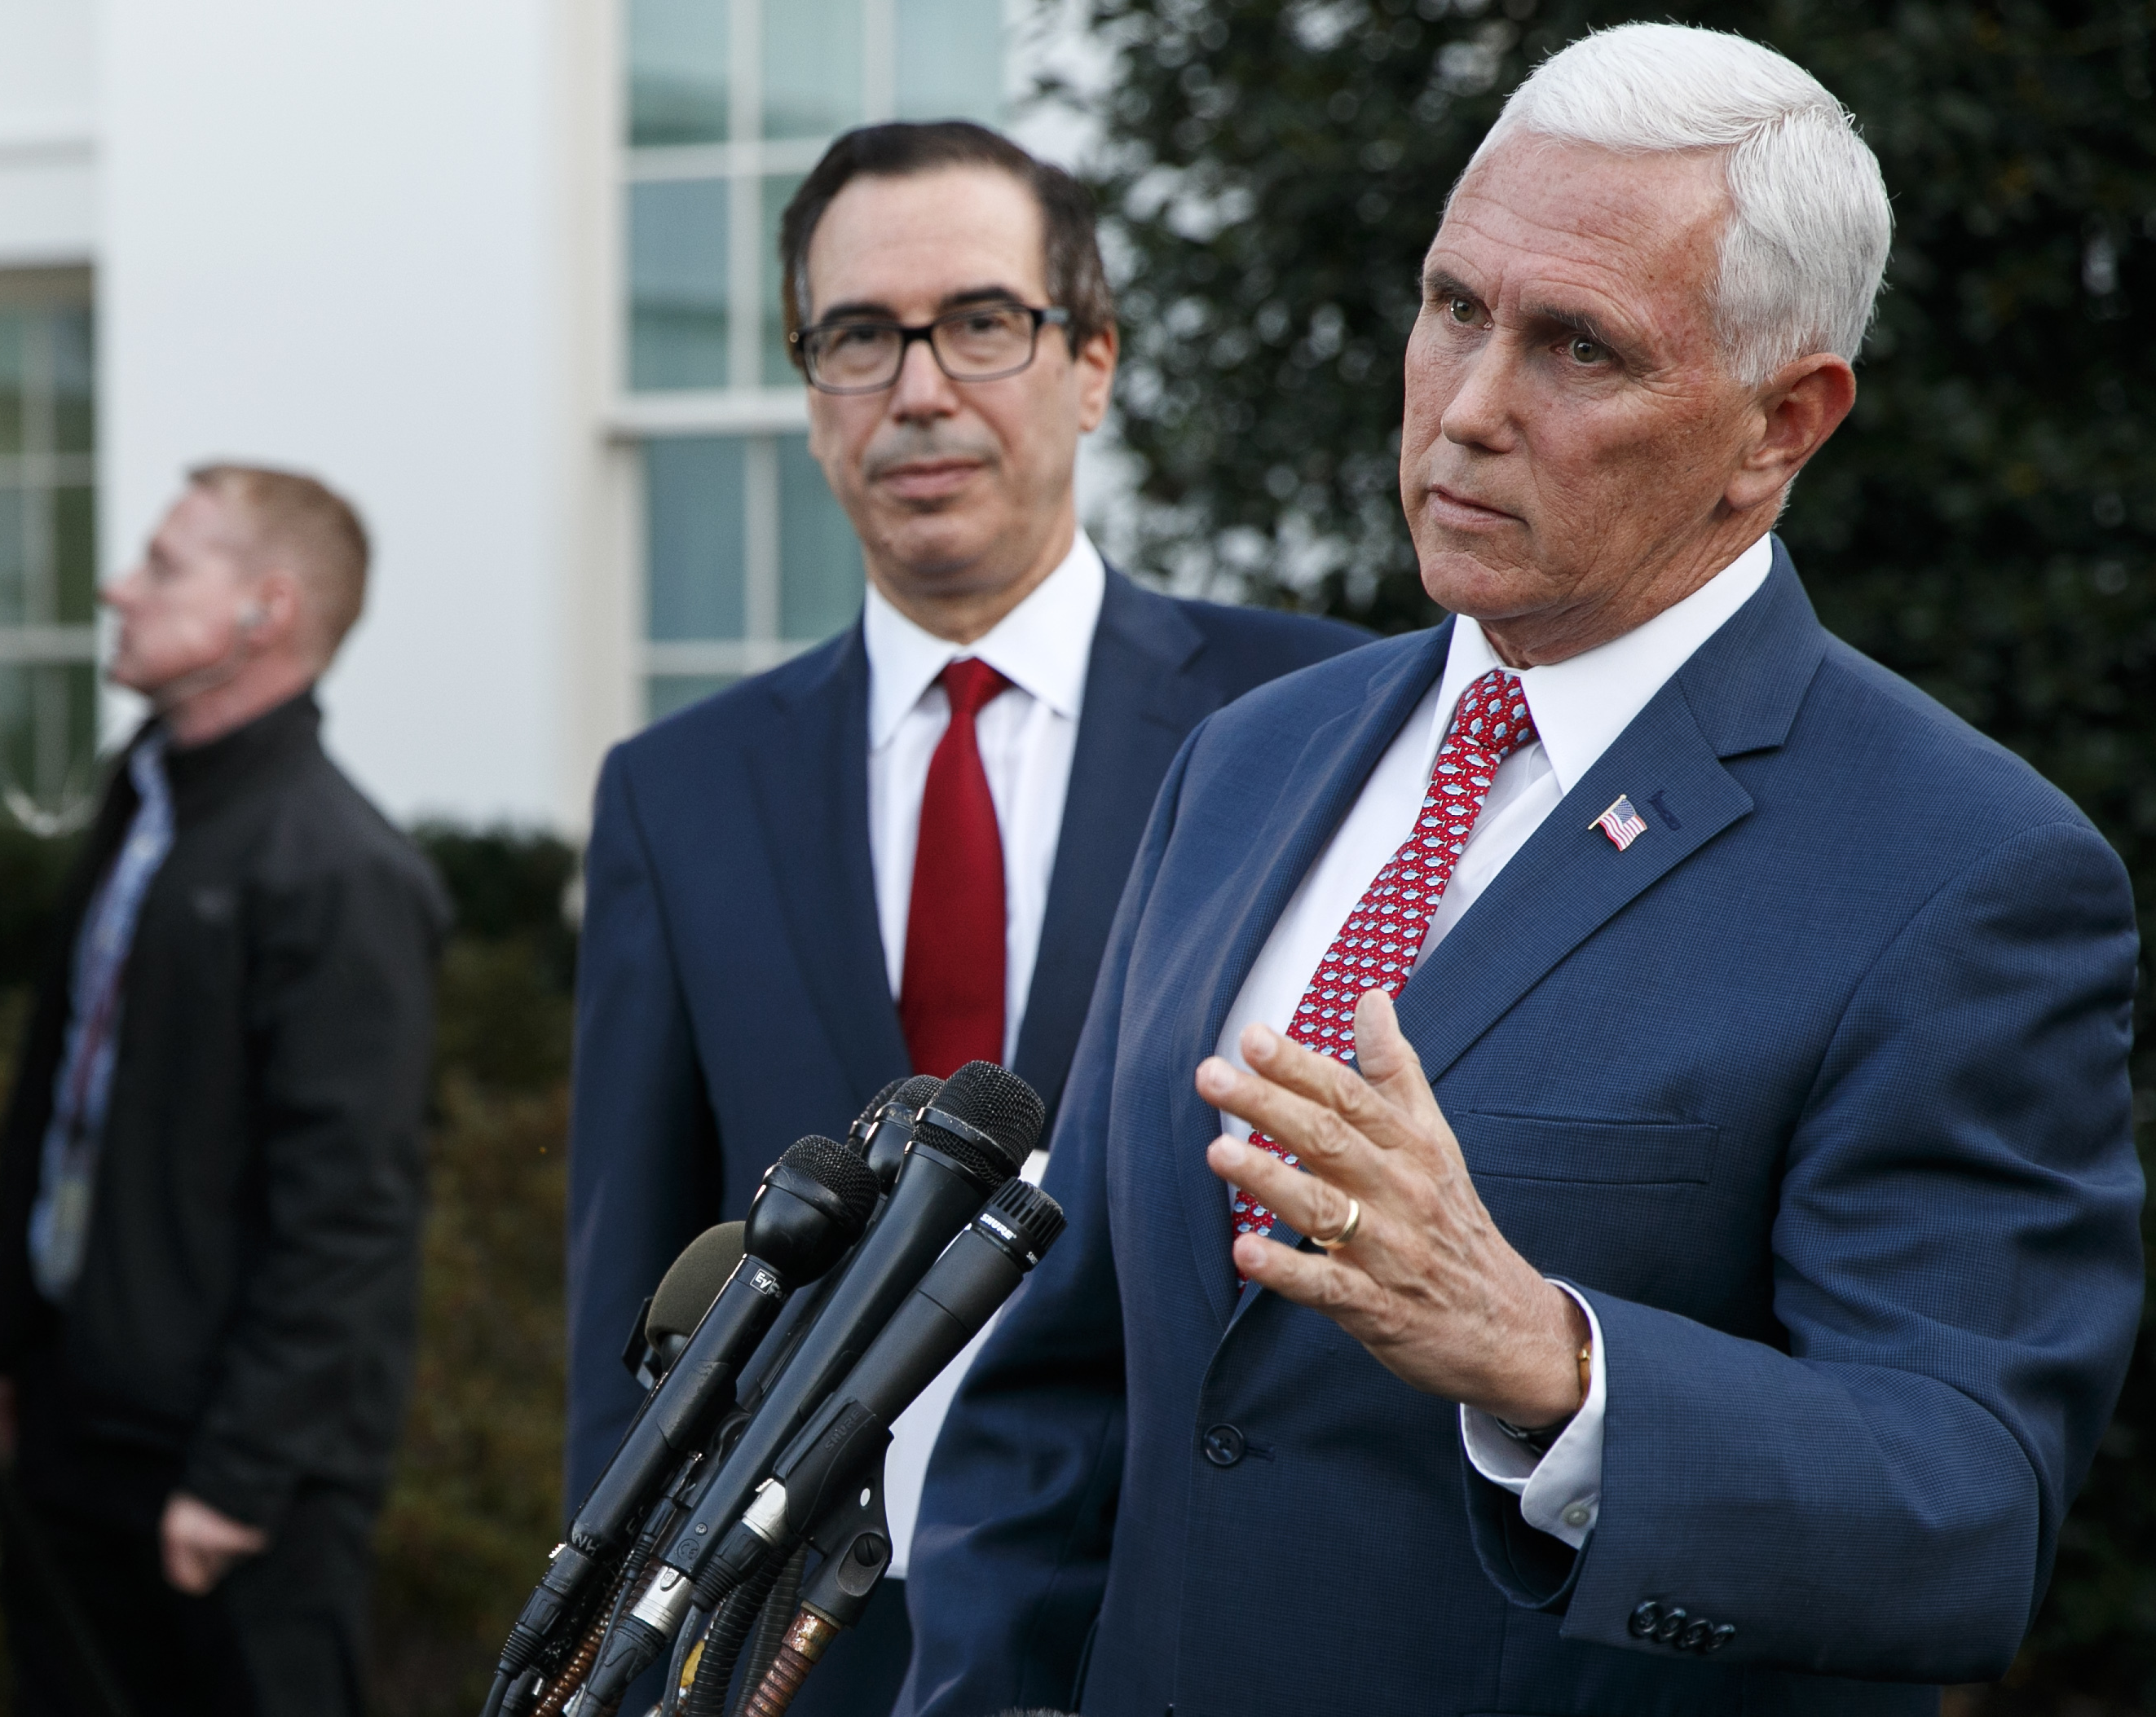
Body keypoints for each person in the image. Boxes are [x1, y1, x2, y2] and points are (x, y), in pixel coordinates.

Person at [902, 25, 2143, 1717]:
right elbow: (1068, 1382)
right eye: (1453, 307)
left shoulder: (1964, 873)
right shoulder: (1251, 758)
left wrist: (1555, 1364)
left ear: (1782, 425)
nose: (1470, 408)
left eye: (1578, 347)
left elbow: (1962, 1517)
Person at [564, 121, 1368, 1714]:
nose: (918, 388)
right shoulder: (680, 789)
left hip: (1192, 1609)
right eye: (860, 335)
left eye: (980, 323)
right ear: (811, 396)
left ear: (1090, 364)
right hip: (791, 1637)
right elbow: (633, 1291)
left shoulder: (1316, 716)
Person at [0, 464, 449, 1717]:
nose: (114, 588)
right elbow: (62, 1106)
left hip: (234, 1488)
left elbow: (348, 1214)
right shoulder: (143, 811)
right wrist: (15, 1350)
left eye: (164, 565)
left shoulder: (342, 873)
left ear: (267, 611)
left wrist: (236, 1481)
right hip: (80, 1436)